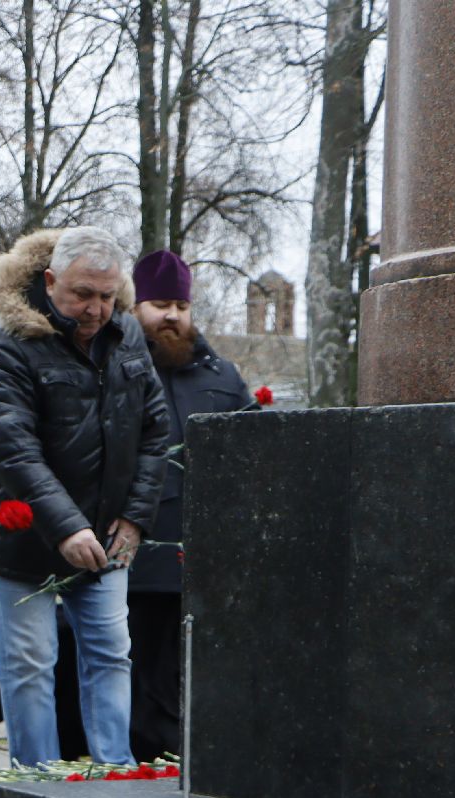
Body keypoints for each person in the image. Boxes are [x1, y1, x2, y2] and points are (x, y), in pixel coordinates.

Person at [0, 226, 170, 767]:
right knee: (30, 662)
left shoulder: (127, 335)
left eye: (107, 295)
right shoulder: (6, 345)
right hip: (24, 535)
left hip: (107, 531)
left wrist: (134, 518)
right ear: (51, 281)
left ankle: (113, 773)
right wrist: (66, 527)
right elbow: (13, 451)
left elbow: (155, 431)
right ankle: (38, 781)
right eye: (82, 294)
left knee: (111, 653)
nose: (96, 309)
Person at [126, 249, 253, 760]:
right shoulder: (118, 367)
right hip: (137, 557)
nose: (171, 315)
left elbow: (252, 453)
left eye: (180, 303)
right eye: (158, 303)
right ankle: (138, 768)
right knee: (140, 674)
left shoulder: (222, 376)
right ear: (134, 307)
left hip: (206, 558)